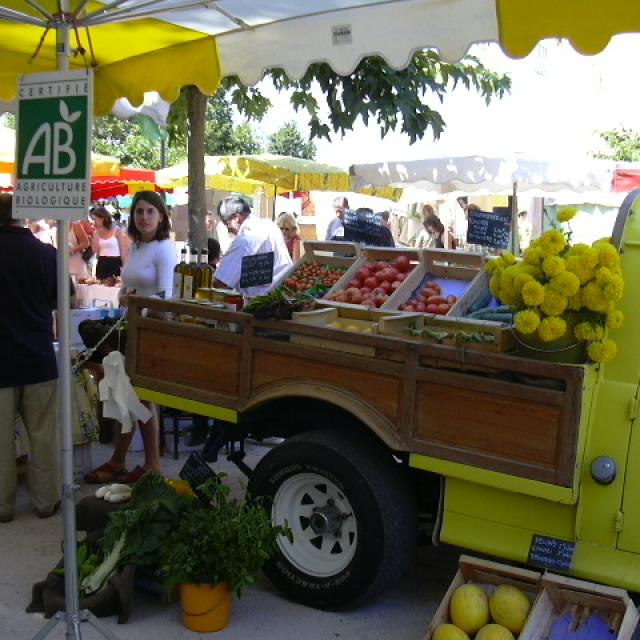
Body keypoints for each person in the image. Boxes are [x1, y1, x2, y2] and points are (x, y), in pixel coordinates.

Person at [85, 191, 176, 485]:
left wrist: (138, 305)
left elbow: (165, 294)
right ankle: (120, 460)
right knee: (125, 394)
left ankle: (151, 465)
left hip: (153, 329)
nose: (144, 217)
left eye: (151, 211)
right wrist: (124, 294)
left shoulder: (164, 248)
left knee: (143, 398)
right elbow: (129, 285)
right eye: (140, 211)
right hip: (132, 326)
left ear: (161, 215)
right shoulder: (136, 246)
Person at [0, 194, 62, 521]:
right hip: (39, 356)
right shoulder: (46, 254)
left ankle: (2, 506)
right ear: (23, 217)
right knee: (42, 436)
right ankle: (45, 501)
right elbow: (64, 299)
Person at [214, 196, 292, 297]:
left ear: (236, 218)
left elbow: (221, 283)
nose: (228, 230)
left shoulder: (245, 239)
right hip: (284, 294)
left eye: (226, 224)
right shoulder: (270, 226)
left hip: (261, 304)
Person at [91, 206, 129, 280]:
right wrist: (95, 235)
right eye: (93, 219)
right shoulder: (96, 233)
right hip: (102, 262)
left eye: (95, 219)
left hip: (115, 262)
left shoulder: (116, 230)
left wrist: (124, 265)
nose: (94, 221)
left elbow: (123, 249)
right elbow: (94, 250)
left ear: (102, 218)